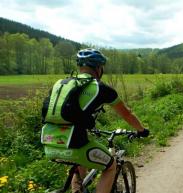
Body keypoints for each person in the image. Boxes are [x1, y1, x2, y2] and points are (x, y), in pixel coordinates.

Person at [43, 48, 149, 193]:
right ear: (99, 68)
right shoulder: (101, 88)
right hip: (75, 144)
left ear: (80, 67)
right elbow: (127, 115)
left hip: (49, 144)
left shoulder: (62, 84)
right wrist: (141, 130)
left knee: (81, 164)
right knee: (110, 166)